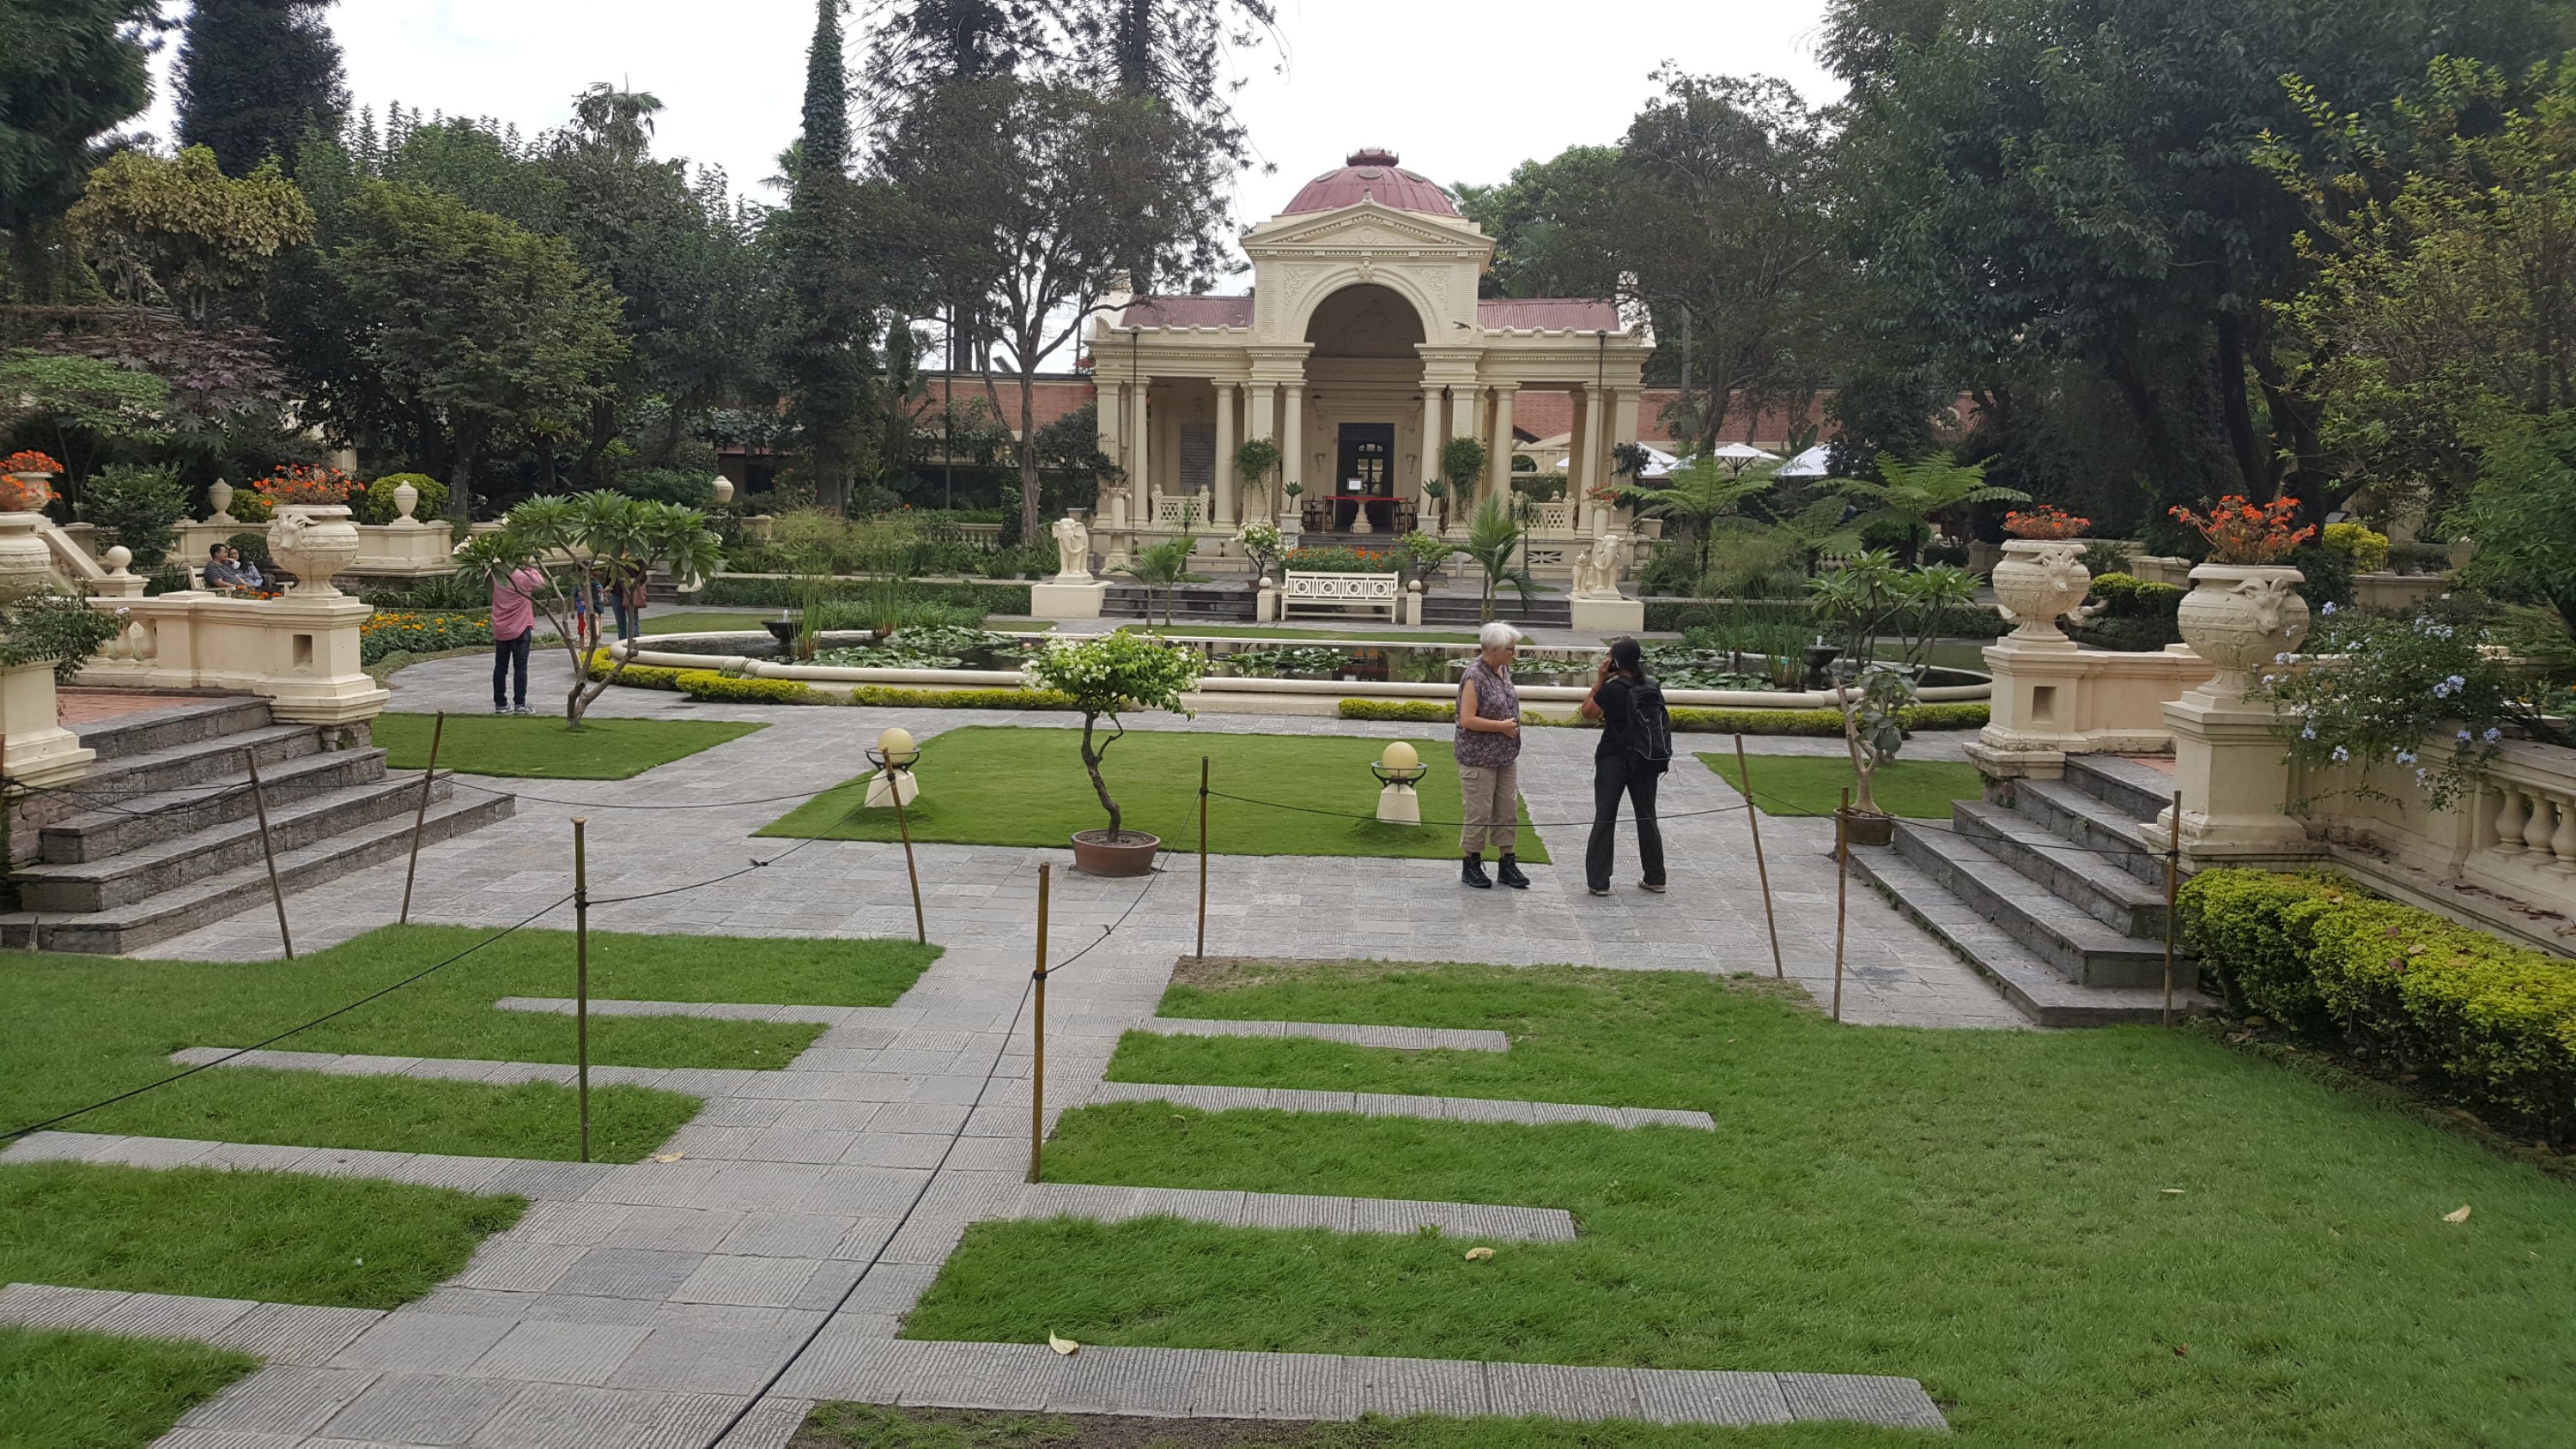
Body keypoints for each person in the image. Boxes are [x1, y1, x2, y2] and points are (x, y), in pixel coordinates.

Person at [1578, 637, 1671, 896]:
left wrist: (1599, 681)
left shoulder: (1612, 689)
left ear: (1615, 661)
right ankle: (1655, 877)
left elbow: (1587, 713)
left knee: (1605, 816)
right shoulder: (1651, 687)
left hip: (1614, 758)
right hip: (1645, 758)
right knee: (1647, 816)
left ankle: (1599, 882)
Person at [1454, 620, 1528, 889]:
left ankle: (1507, 862)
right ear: (1494, 649)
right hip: (1478, 758)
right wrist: (1502, 727)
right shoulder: (1474, 676)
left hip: (1505, 756)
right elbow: (1467, 719)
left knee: (1507, 810)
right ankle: (1471, 863)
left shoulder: (1503, 671)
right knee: (1479, 812)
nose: (1514, 654)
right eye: (1510, 649)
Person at [489, 564, 544, 715]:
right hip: (520, 626)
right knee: (520, 667)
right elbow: (541, 583)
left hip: (501, 628)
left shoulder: (494, 574)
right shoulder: (522, 575)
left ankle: (500, 704)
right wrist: (529, 567)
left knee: (500, 667)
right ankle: (520, 704)